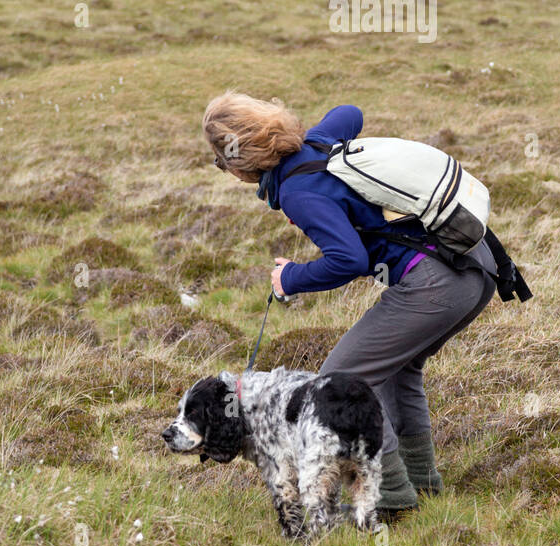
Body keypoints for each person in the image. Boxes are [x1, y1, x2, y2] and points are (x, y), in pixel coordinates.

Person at [202, 92, 498, 514]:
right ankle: (422, 485)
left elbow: (349, 259)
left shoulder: (298, 192)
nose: (224, 168)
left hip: (437, 283)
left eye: (221, 159)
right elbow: (351, 113)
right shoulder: (321, 141)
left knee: (342, 379)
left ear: (240, 161)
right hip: (476, 264)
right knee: (398, 371)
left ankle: (391, 497)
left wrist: (291, 278)